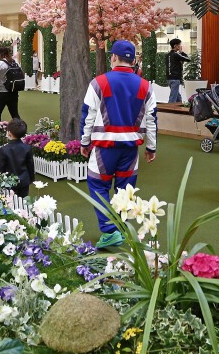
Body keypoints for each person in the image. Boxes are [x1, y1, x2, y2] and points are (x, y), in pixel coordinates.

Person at [80, 40, 157, 248]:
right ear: (133, 60)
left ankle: (110, 230)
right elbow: (151, 118)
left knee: (98, 185)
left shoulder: (99, 82)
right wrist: (151, 147)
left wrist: (84, 142)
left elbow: (88, 115)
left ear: (113, 57)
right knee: (126, 190)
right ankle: (121, 228)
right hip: (131, 148)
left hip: (104, 147)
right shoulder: (145, 85)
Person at [0, 118, 35, 198]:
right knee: (24, 201)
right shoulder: (27, 148)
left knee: (11, 202)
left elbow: (1, 167)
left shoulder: (4, 149)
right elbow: (30, 166)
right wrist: (31, 179)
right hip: (24, 181)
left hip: (10, 182)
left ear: (9, 133)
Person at [165, 38, 190, 103]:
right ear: (175, 46)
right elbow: (188, 59)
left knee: (178, 97)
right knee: (173, 97)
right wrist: (182, 52)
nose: (180, 46)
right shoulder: (176, 54)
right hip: (175, 78)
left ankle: (179, 109)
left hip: (169, 78)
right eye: (179, 45)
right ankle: (169, 110)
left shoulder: (167, 55)